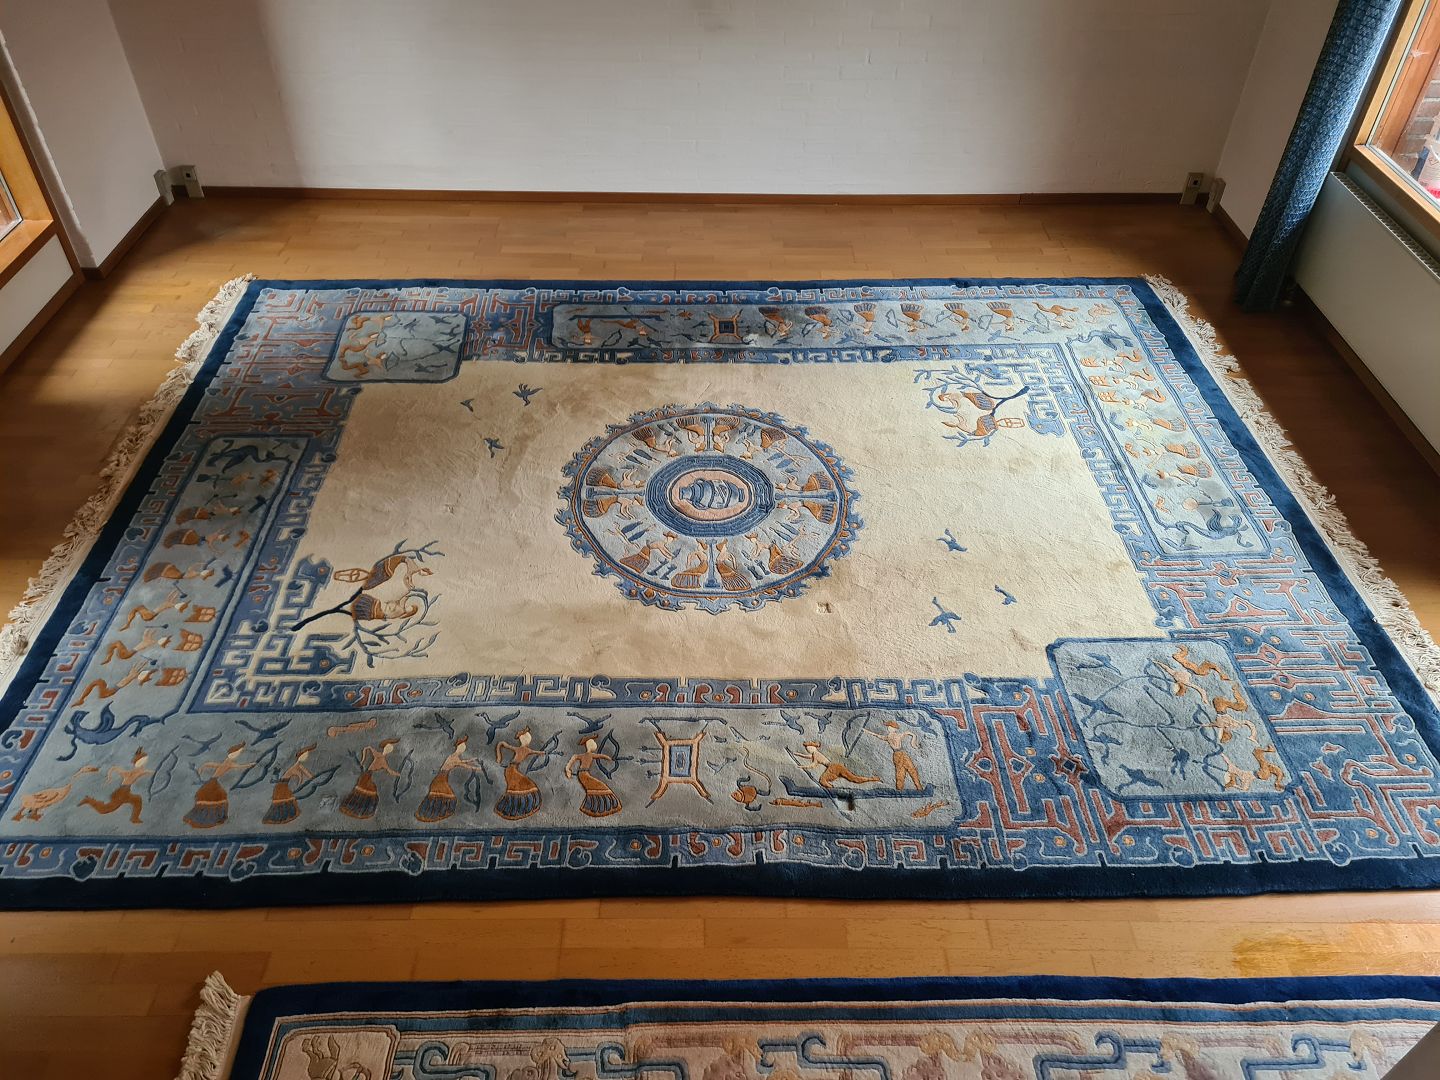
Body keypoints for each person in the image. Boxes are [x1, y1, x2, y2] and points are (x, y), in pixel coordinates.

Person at [184, 743, 253, 829]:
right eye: (236, 753)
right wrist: (248, 765)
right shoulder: (228, 763)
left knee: (220, 796)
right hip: (213, 781)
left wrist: (204, 766)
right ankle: (213, 818)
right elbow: (238, 766)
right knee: (219, 797)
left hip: (214, 781)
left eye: (238, 753)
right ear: (231, 754)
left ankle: (215, 817)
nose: (237, 755)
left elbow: (214, 764)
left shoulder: (228, 762)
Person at [416, 735, 482, 822]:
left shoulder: (453, 756)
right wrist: (477, 768)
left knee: (443, 798)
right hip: (440, 781)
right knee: (448, 798)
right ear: (459, 747)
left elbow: (462, 762)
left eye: (464, 747)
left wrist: (471, 760)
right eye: (463, 747)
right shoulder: (454, 758)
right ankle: (436, 814)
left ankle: (436, 814)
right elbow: (462, 764)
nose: (464, 749)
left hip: (440, 779)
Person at [339, 739, 401, 820]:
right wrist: (363, 759)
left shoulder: (383, 761)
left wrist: (398, 774)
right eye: (387, 748)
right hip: (366, 775)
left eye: (389, 750)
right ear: (385, 748)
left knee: (368, 792)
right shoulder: (378, 755)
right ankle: (354, 808)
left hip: (368, 775)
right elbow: (367, 748)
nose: (388, 751)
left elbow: (390, 771)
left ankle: (360, 809)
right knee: (364, 791)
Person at [565, 735, 621, 817]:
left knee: (595, 788)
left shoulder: (585, 755)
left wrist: (609, 758)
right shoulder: (589, 755)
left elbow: (600, 756)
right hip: (584, 774)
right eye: (593, 742)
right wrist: (609, 758)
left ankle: (592, 806)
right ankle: (596, 806)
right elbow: (601, 756)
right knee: (600, 786)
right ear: (591, 745)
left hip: (583, 774)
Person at [495, 727, 544, 820]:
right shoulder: (522, 749)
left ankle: (516, 807)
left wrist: (543, 752)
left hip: (512, 769)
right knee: (523, 786)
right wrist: (499, 756)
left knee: (525, 786)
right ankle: (513, 808)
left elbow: (502, 744)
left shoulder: (525, 750)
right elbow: (501, 744)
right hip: (511, 770)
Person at [262, 744, 316, 825]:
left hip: (284, 786)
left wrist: (314, 779)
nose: (307, 756)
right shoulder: (295, 767)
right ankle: (277, 819)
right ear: (300, 756)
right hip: (281, 786)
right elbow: (303, 776)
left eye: (307, 754)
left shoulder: (299, 766)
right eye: (305, 754)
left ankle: (284, 818)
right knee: (284, 803)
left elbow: (308, 775)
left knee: (289, 802)